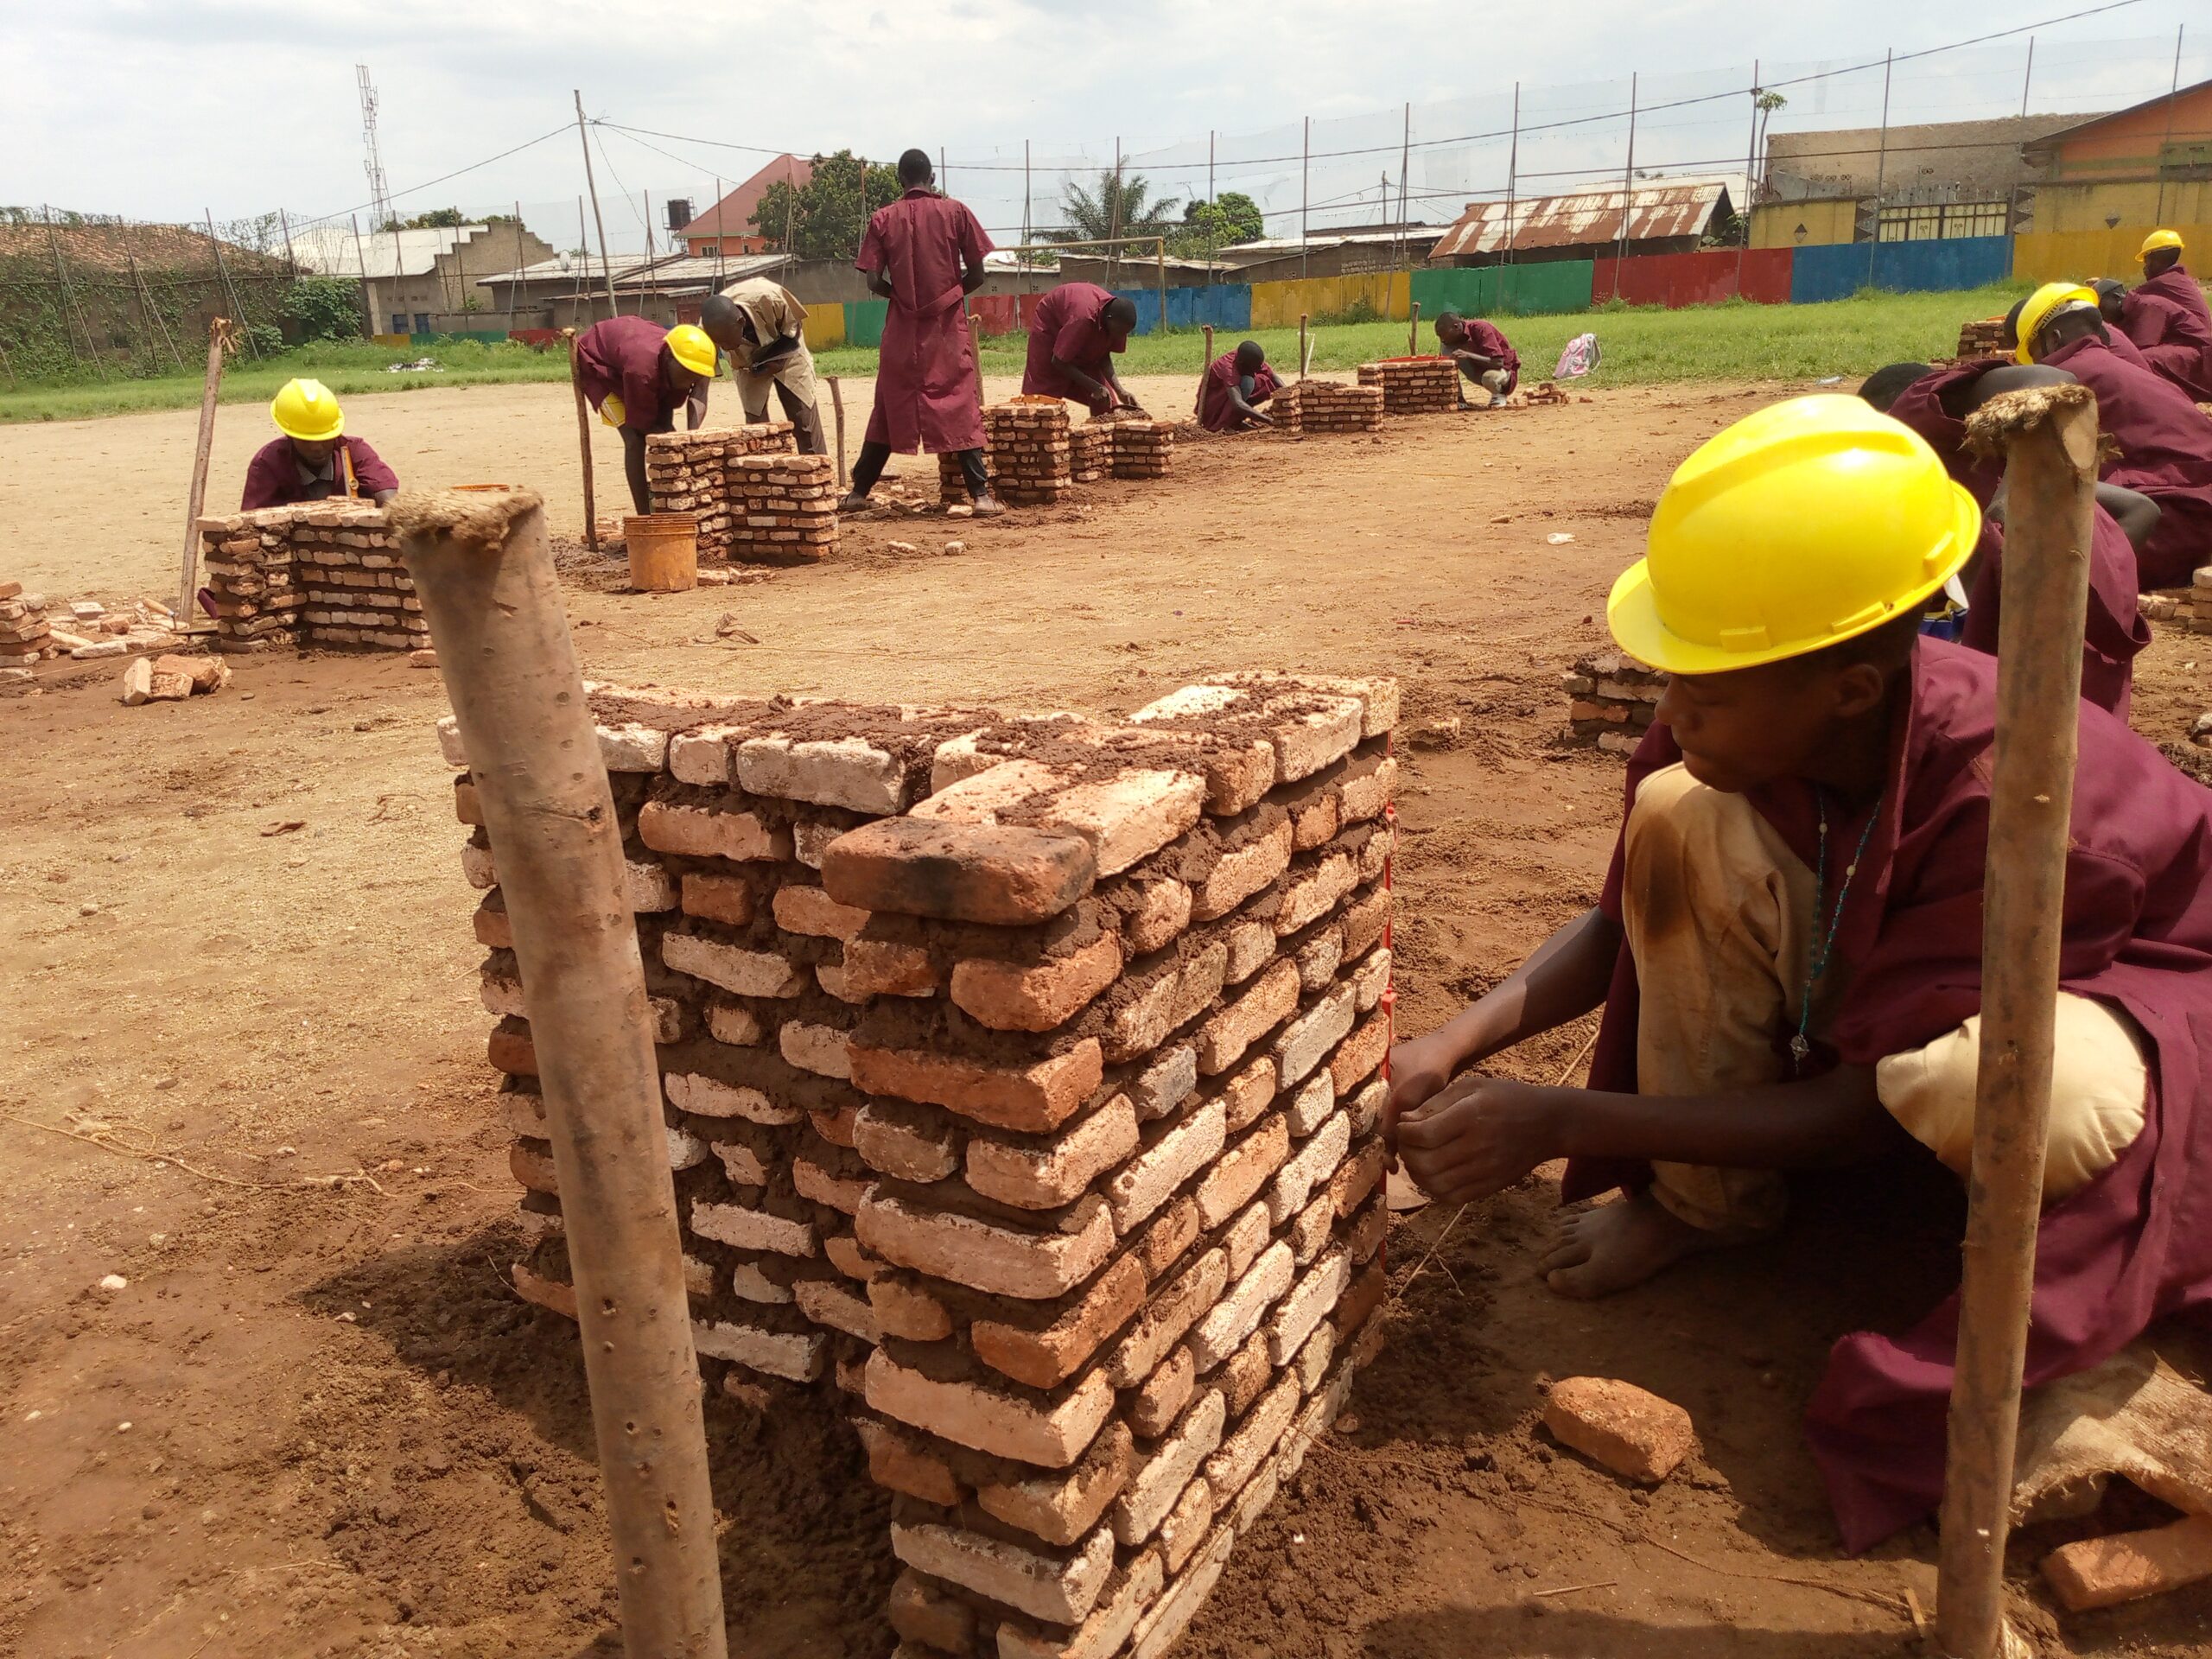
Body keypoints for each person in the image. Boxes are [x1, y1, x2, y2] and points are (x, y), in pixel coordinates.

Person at [1388, 393, 2212, 1553]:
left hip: (2137, 1005)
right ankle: (1704, 1210)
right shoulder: (1742, 721)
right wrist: (1453, 1043)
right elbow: (1623, 917)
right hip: (1910, 989)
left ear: (1851, 690)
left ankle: (1993, 1253)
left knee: (1998, 1088)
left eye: (1702, 690)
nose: (1673, 712)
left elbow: (1867, 1108)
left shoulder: (2024, 806)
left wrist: (1560, 1117)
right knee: (1681, 820)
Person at [1860, 359, 2157, 715]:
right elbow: (2142, 509)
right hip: (2064, 652)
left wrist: (2018, 495)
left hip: (2061, 640)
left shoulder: (1918, 411)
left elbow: (2056, 380)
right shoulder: (1981, 476)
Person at [2015, 281, 2212, 588]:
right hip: (2197, 506)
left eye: (2035, 354)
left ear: (2053, 340)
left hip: (2178, 522)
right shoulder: (2113, 364)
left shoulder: (2065, 375)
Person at [843, 149, 1001, 516]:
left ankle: (858, 493)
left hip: (901, 329)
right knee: (959, 400)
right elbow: (978, 275)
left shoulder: (882, 219)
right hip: (945, 327)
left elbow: (872, 279)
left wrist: (899, 297)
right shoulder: (955, 212)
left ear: (900, 181)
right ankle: (980, 496)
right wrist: (949, 295)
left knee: (889, 403)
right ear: (932, 179)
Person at [573, 316, 720, 515]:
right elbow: (640, 422)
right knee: (634, 440)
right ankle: (644, 514)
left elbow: (682, 402)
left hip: (631, 358)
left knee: (667, 433)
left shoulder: (684, 363)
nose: (689, 383)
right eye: (687, 375)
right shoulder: (641, 371)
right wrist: (667, 440)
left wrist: (684, 441)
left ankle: (670, 502)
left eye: (695, 377)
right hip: (598, 364)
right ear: (670, 358)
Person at [701, 283, 827, 455]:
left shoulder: (770, 298)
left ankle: (817, 471)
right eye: (720, 344)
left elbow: (794, 327)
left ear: (740, 322)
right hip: (746, 362)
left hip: (788, 351)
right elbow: (701, 383)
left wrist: (779, 360)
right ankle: (764, 474)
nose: (726, 348)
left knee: (804, 419)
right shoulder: (706, 328)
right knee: (756, 428)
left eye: (727, 341)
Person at [240, 378, 398, 511]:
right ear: (289, 435)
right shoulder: (268, 463)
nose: (316, 448)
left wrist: (389, 508)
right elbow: (252, 523)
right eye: (306, 441)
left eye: (324, 439)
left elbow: (390, 501)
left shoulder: (355, 451)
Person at [1021, 283, 1144, 416]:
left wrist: (1120, 391)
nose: (1121, 336)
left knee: (1108, 403)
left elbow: (1103, 355)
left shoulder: (1117, 321)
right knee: (1041, 403)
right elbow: (1058, 361)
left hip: (1078, 319)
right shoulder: (1083, 318)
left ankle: (1100, 431)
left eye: (1125, 333)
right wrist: (1094, 387)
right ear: (1108, 319)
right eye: (1120, 332)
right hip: (1051, 326)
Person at [2119, 230, 2212, 402]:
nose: (2144, 266)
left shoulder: (2161, 284)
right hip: (2198, 346)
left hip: (2195, 348)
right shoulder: (2180, 280)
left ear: (2157, 259)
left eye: (2147, 260)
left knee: (2142, 360)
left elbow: (2126, 300)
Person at [1434, 311, 1520, 407]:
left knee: (1489, 378)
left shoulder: (1481, 328)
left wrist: (1469, 355)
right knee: (1448, 354)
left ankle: (1499, 395)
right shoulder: (1448, 342)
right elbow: (1445, 366)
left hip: (1503, 371)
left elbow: (1498, 362)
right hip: (1479, 371)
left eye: (1444, 335)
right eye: (1440, 336)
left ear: (1456, 327)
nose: (1442, 340)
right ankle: (1459, 399)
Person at [1198, 340, 1279, 431]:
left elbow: (1272, 376)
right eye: (1254, 368)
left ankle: (1236, 420)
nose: (1258, 369)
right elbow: (1238, 404)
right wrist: (1269, 420)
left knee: (1259, 381)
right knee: (1248, 383)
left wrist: (1291, 395)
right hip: (1213, 406)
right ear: (1241, 362)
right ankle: (1225, 424)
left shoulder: (1247, 357)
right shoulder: (1228, 369)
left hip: (1230, 398)